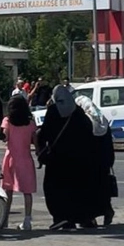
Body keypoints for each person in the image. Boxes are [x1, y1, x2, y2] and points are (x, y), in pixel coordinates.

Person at [37, 85, 95, 230]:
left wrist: (41, 151)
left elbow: (44, 134)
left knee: (54, 189)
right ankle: (83, 217)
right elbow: (89, 132)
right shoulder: (78, 112)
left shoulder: (53, 111)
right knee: (78, 188)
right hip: (78, 160)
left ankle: (61, 218)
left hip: (57, 160)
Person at [76, 94, 116, 227]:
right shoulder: (102, 119)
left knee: (89, 190)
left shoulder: (85, 121)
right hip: (104, 161)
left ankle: (89, 218)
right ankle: (107, 211)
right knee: (102, 188)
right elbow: (109, 143)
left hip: (90, 162)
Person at [1, 96, 38, 231]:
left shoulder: (8, 121)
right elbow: (35, 140)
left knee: (8, 191)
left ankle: (4, 220)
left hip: (10, 158)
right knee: (27, 191)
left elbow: (5, 137)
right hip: (26, 159)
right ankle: (27, 220)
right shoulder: (30, 122)